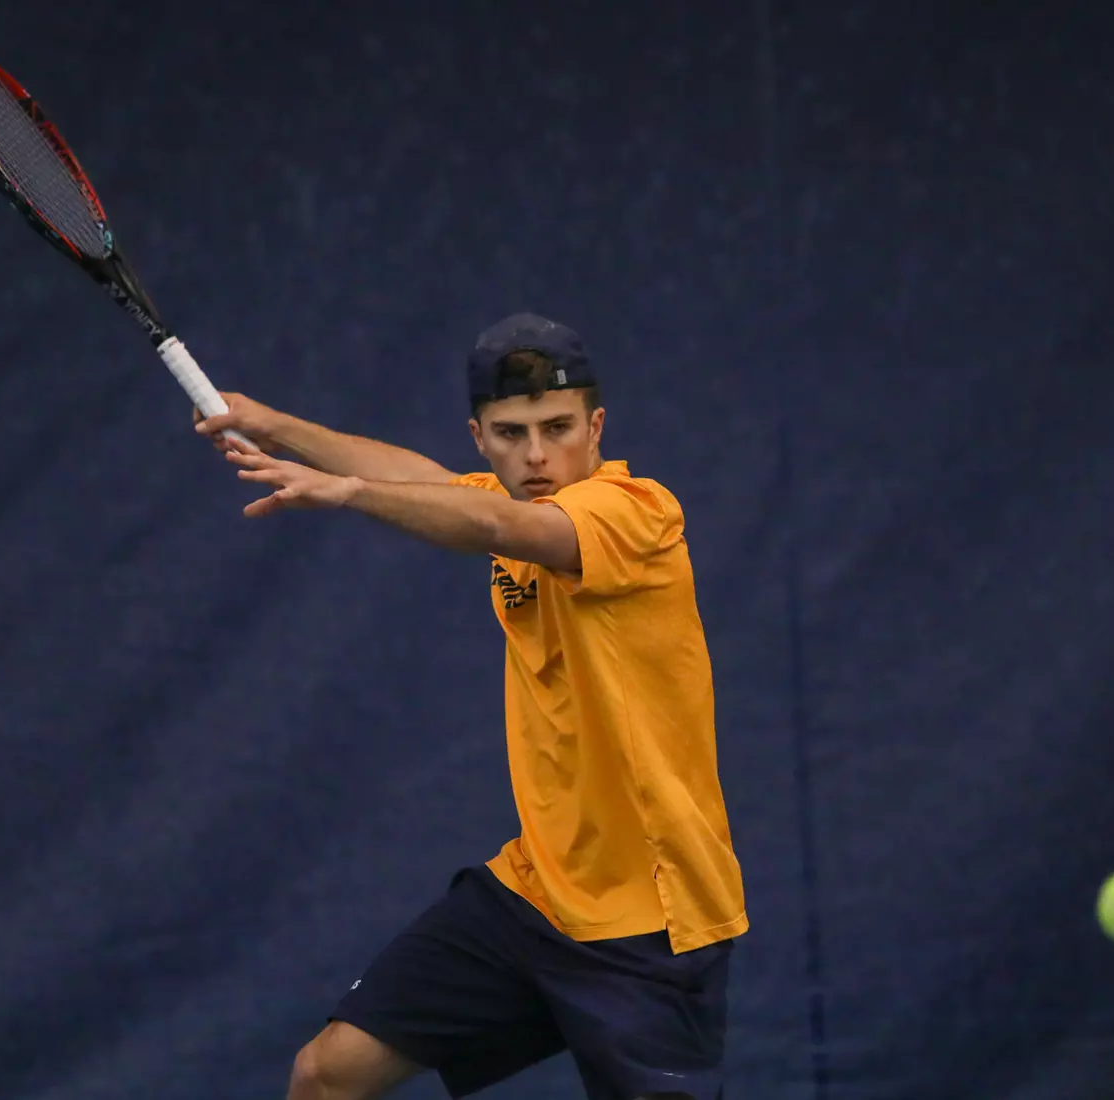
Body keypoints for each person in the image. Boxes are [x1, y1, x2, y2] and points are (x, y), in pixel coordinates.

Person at [194, 313, 747, 1100]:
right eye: (510, 433)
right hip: (535, 894)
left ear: (595, 428)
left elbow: (494, 522)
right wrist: (269, 424)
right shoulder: (504, 494)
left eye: (556, 429)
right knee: (326, 1075)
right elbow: (437, 485)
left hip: (650, 922)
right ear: (480, 437)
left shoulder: (637, 515)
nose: (536, 454)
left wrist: (348, 494)